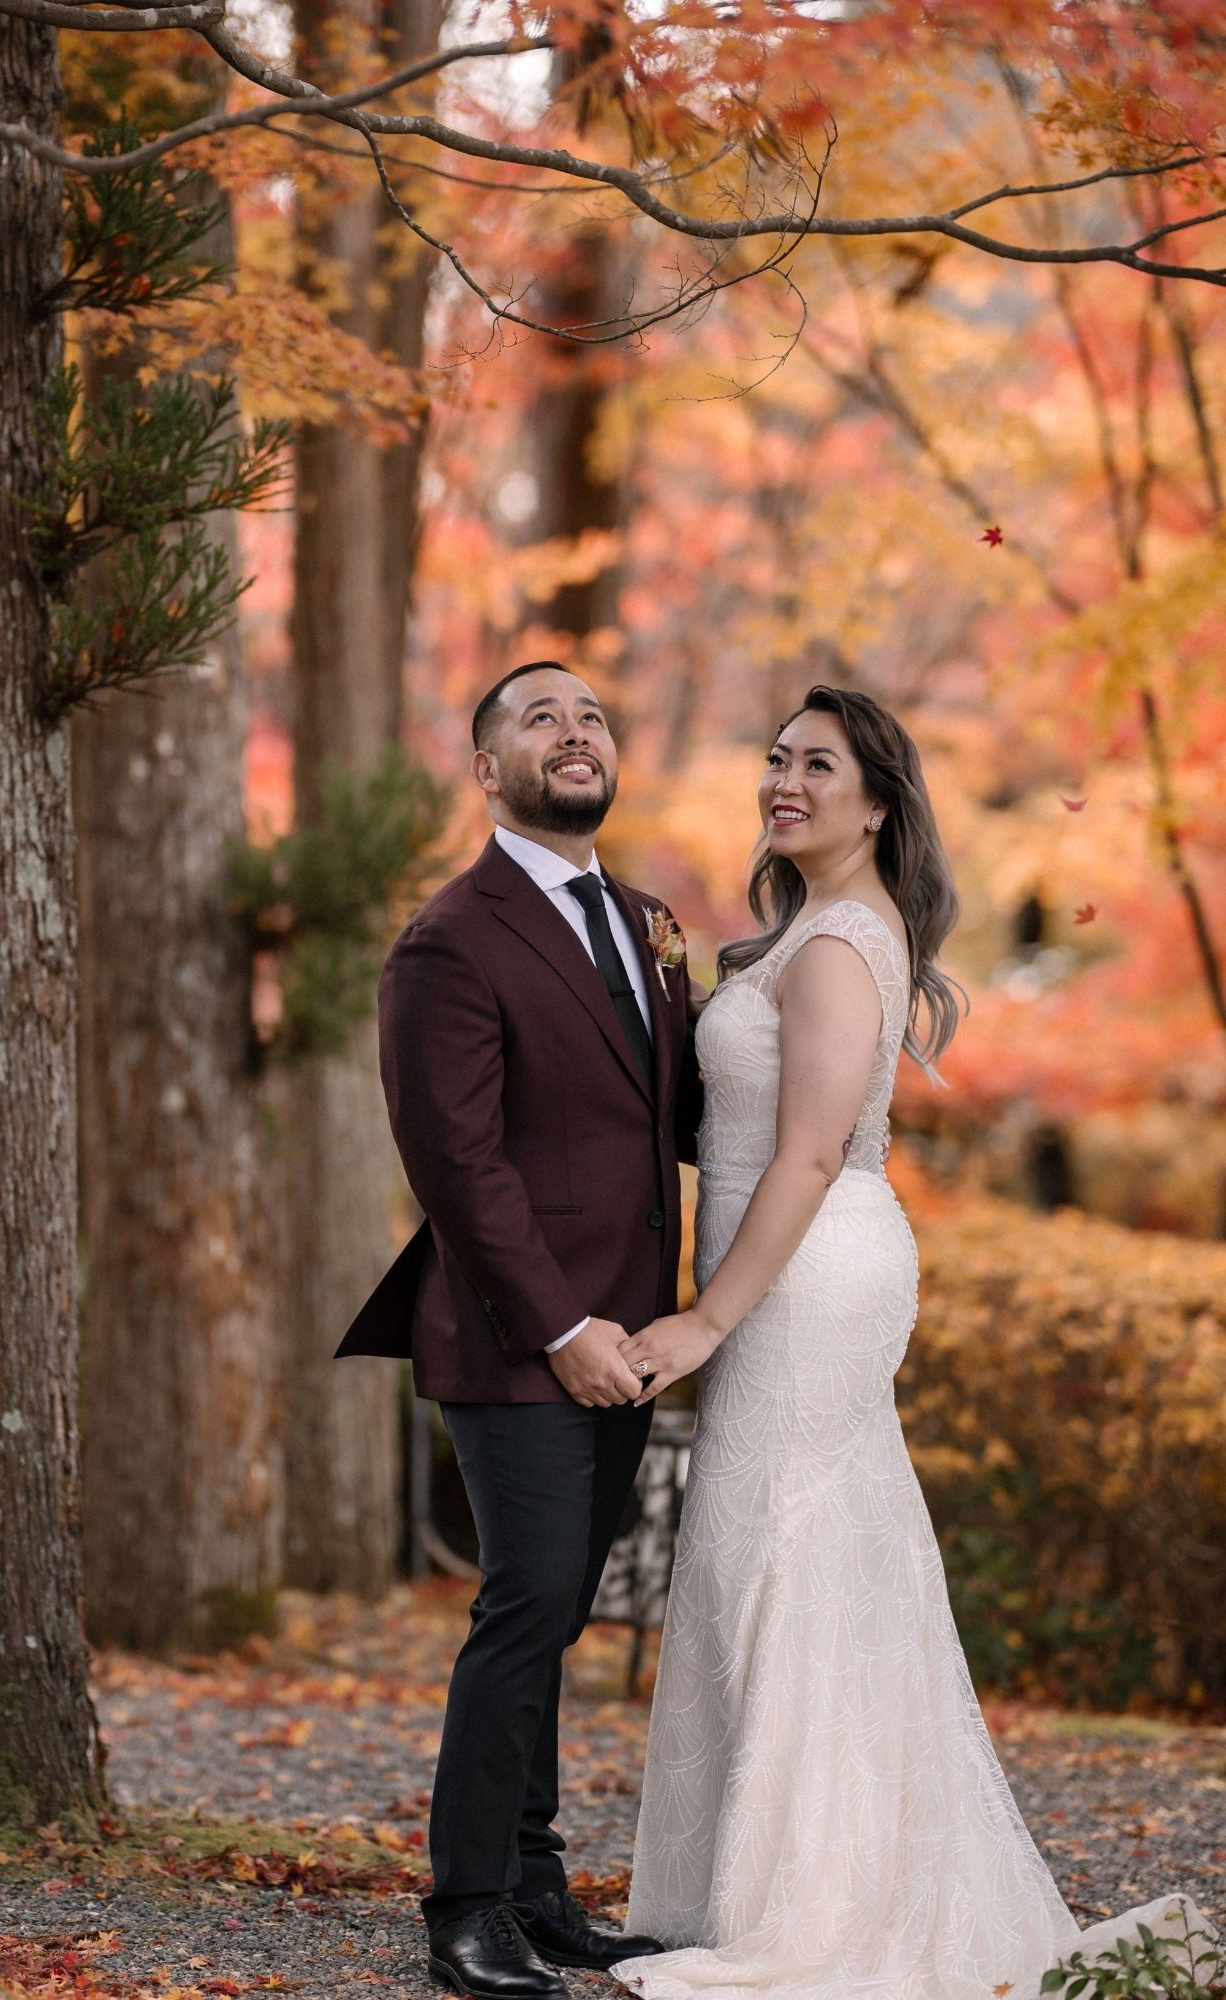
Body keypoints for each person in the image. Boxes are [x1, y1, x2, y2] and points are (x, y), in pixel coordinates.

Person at [609, 684, 1209, 2000]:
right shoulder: (809, 933)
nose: (785, 779)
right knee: (790, 1555)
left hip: (806, 1275)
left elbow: (813, 1148)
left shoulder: (833, 946)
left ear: (878, 803)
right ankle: (782, 1878)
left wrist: (707, 1316)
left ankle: (818, 1910)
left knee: (787, 1554)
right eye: (776, 757)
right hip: (800, 1256)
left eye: (818, 764)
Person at [337, 660, 704, 2000]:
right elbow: (457, 1164)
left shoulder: (652, 924)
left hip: (638, 1338)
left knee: (559, 1616)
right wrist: (563, 1328)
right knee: (529, 1604)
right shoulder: (450, 939)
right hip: (517, 1339)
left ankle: (540, 1884)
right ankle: (469, 1903)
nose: (575, 730)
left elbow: (680, 1122)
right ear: (487, 769)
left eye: (595, 713)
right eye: (540, 717)